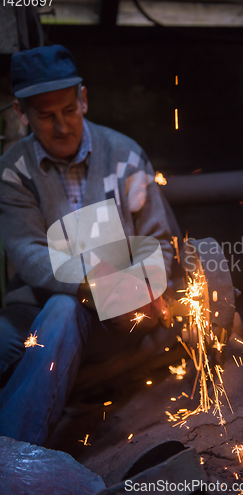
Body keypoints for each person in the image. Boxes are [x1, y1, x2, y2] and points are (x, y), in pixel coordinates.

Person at [0, 45, 173, 445]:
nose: (62, 127)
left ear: (84, 99)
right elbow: (26, 252)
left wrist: (137, 285)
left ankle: (17, 459)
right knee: (51, 314)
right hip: (36, 308)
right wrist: (91, 278)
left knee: (64, 311)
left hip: (118, 316)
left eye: (69, 110)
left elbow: (161, 244)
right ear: (21, 113)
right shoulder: (13, 171)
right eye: (45, 116)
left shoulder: (126, 156)